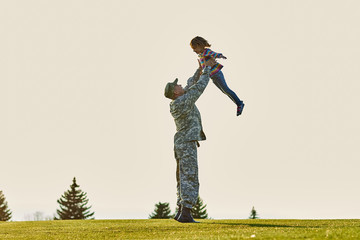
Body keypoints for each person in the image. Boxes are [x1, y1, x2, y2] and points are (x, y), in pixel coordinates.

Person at [164, 59, 215, 223]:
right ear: (175, 93)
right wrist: (207, 70)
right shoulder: (182, 102)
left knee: (182, 177)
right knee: (189, 176)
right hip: (186, 143)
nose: (180, 86)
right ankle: (186, 212)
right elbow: (198, 88)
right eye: (177, 86)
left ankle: (181, 211)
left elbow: (191, 83)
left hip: (182, 143)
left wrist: (199, 69)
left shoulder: (179, 100)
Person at [190, 36, 245, 116]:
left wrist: (220, 56)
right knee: (224, 91)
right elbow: (204, 67)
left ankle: (239, 103)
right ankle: (238, 103)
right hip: (212, 77)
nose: (194, 50)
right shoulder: (201, 55)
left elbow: (214, 54)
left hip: (217, 74)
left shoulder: (206, 51)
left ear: (199, 45)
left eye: (195, 48)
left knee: (226, 89)